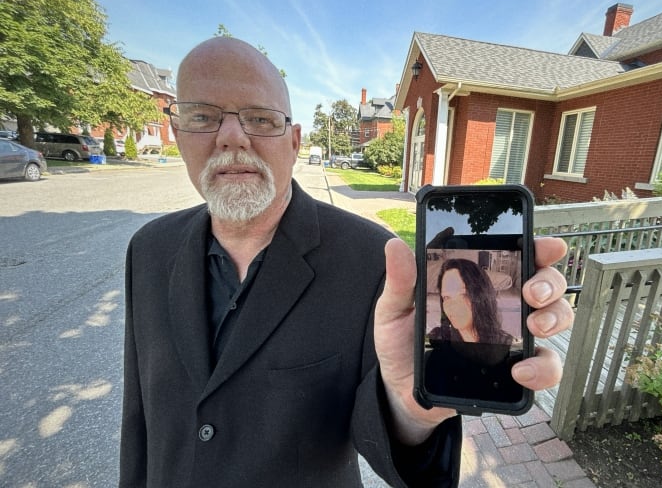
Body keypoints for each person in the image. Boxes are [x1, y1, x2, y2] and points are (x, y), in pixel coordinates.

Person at [119, 36, 574, 487]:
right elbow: (139, 418)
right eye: (203, 116)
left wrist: (410, 414)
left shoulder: (373, 260)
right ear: (178, 134)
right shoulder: (148, 250)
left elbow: (388, 441)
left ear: (295, 142)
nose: (232, 137)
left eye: (260, 118)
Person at [428, 258, 514, 345]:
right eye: (446, 297)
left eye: (463, 295)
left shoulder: (505, 343)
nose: (452, 306)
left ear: (481, 296)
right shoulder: (437, 337)